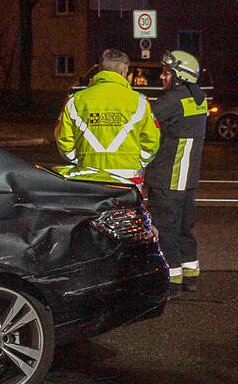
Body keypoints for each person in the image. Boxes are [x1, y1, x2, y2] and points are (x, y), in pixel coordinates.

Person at [144, 50, 208, 297]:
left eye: (166, 72)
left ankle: (171, 282)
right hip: (188, 179)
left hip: (167, 179)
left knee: (166, 230)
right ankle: (190, 275)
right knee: (184, 229)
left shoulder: (170, 102)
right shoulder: (198, 99)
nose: (162, 76)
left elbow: (145, 127)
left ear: (179, 76)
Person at [54, 49, 160, 182]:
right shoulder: (140, 101)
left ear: (100, 70)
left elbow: (63, 139)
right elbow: (152, 141)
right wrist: (139, 160)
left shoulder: (75, 100)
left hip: (88, 174)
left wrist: (79, 159)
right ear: (123, 72)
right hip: (128, 177)